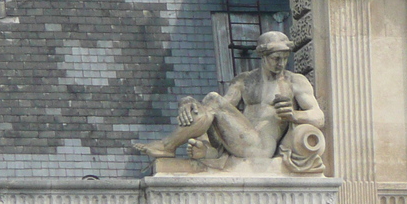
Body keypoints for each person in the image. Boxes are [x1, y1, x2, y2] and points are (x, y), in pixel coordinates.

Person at [133, 31, 324, 168]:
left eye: (284, 57)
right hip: (242, 138)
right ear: (262, 56)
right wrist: (187, 101)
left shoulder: (295, 81)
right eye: (276, 58)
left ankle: (167, 146)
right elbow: (214, 113)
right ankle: (207, 149)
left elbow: (318, 117)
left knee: (213, 100)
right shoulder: (245, 81)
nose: (281, 63)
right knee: (212, 100)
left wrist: (294, 115)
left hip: (262, 147)